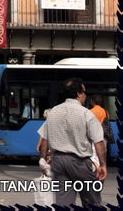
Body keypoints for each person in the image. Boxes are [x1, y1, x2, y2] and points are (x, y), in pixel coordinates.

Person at [38, 77, 106, 209]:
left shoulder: (53, 112)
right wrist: (102, 165)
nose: (86, 96)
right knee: (92, 201)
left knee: (64, 203)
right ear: (79, 94)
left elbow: (44, 142)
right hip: (80, 163)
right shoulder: (86, 114)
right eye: (85, 93)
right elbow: (99, 143)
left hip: (58, 162)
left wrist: (42, 161)